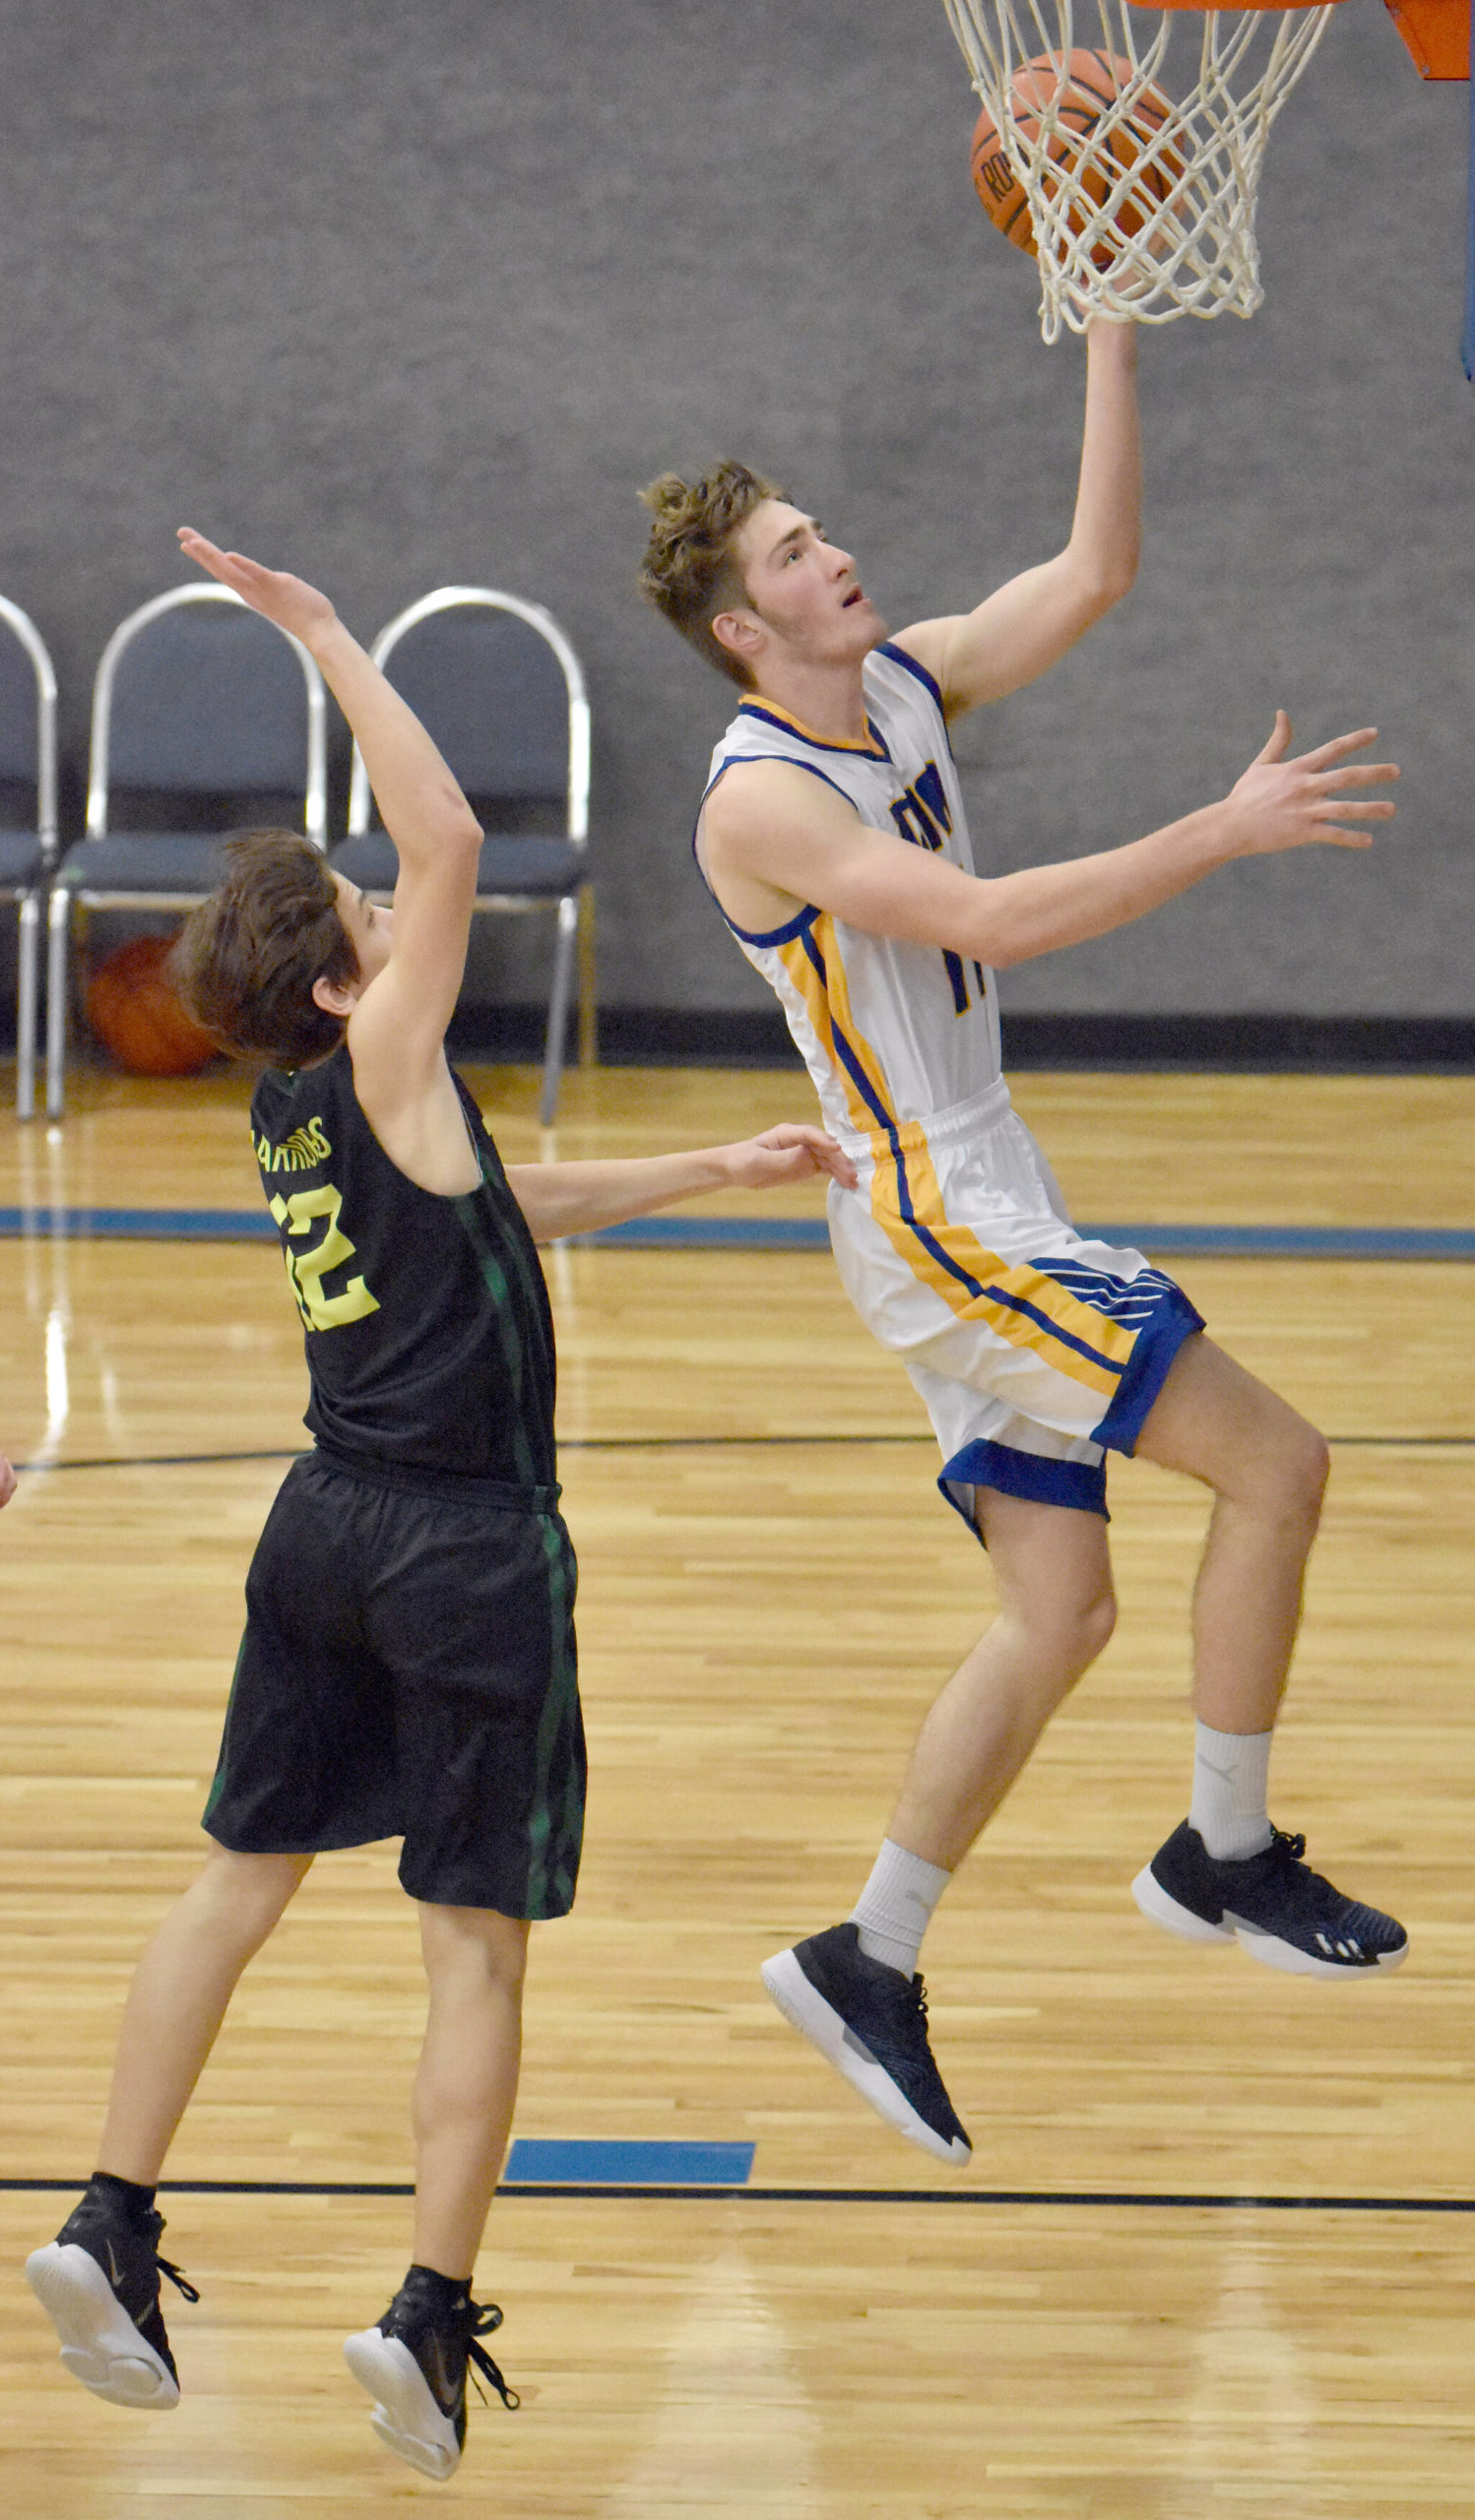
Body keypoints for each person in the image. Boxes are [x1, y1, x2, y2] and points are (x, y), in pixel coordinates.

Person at [24, 530, 854, 2480]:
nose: (402, 898)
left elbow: (495, 1201)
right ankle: (419, 2313)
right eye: (365, 905)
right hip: (464, 1542)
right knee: (471, 1944)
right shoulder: (385, 1037)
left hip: (321, 1526)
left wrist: (712, 1165)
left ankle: (105, 2218)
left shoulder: (308, 1098)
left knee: (237, 1881)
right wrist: (317, 628)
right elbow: (458, 835)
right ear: (338, 973)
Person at [636, 320, 1405, 2172]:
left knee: (1060, 1611)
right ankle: (1218, 1851)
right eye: (792, 558)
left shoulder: (896, 681)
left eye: (819, 534)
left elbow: (1092, 570)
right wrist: (1216, 830)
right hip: (930, 1211)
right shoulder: (758, 797)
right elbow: (982, 911)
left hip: (983, 1188)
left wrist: (1110, 330)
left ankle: (863, 1954)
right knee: (1279, 1466)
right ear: (745, 629)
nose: (832, 558)